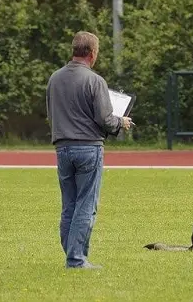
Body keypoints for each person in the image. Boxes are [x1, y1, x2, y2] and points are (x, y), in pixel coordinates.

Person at [46, 31, 132, 269]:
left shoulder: (54, 78)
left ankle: (74, 254)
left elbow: (50, 113)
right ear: (93, 54)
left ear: (74, 50)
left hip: (62, 147)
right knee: (86, 204)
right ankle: (76, 259)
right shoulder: (95, 81)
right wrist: (120, 122)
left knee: (69, 205)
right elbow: (104, 118)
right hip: (88, 148)